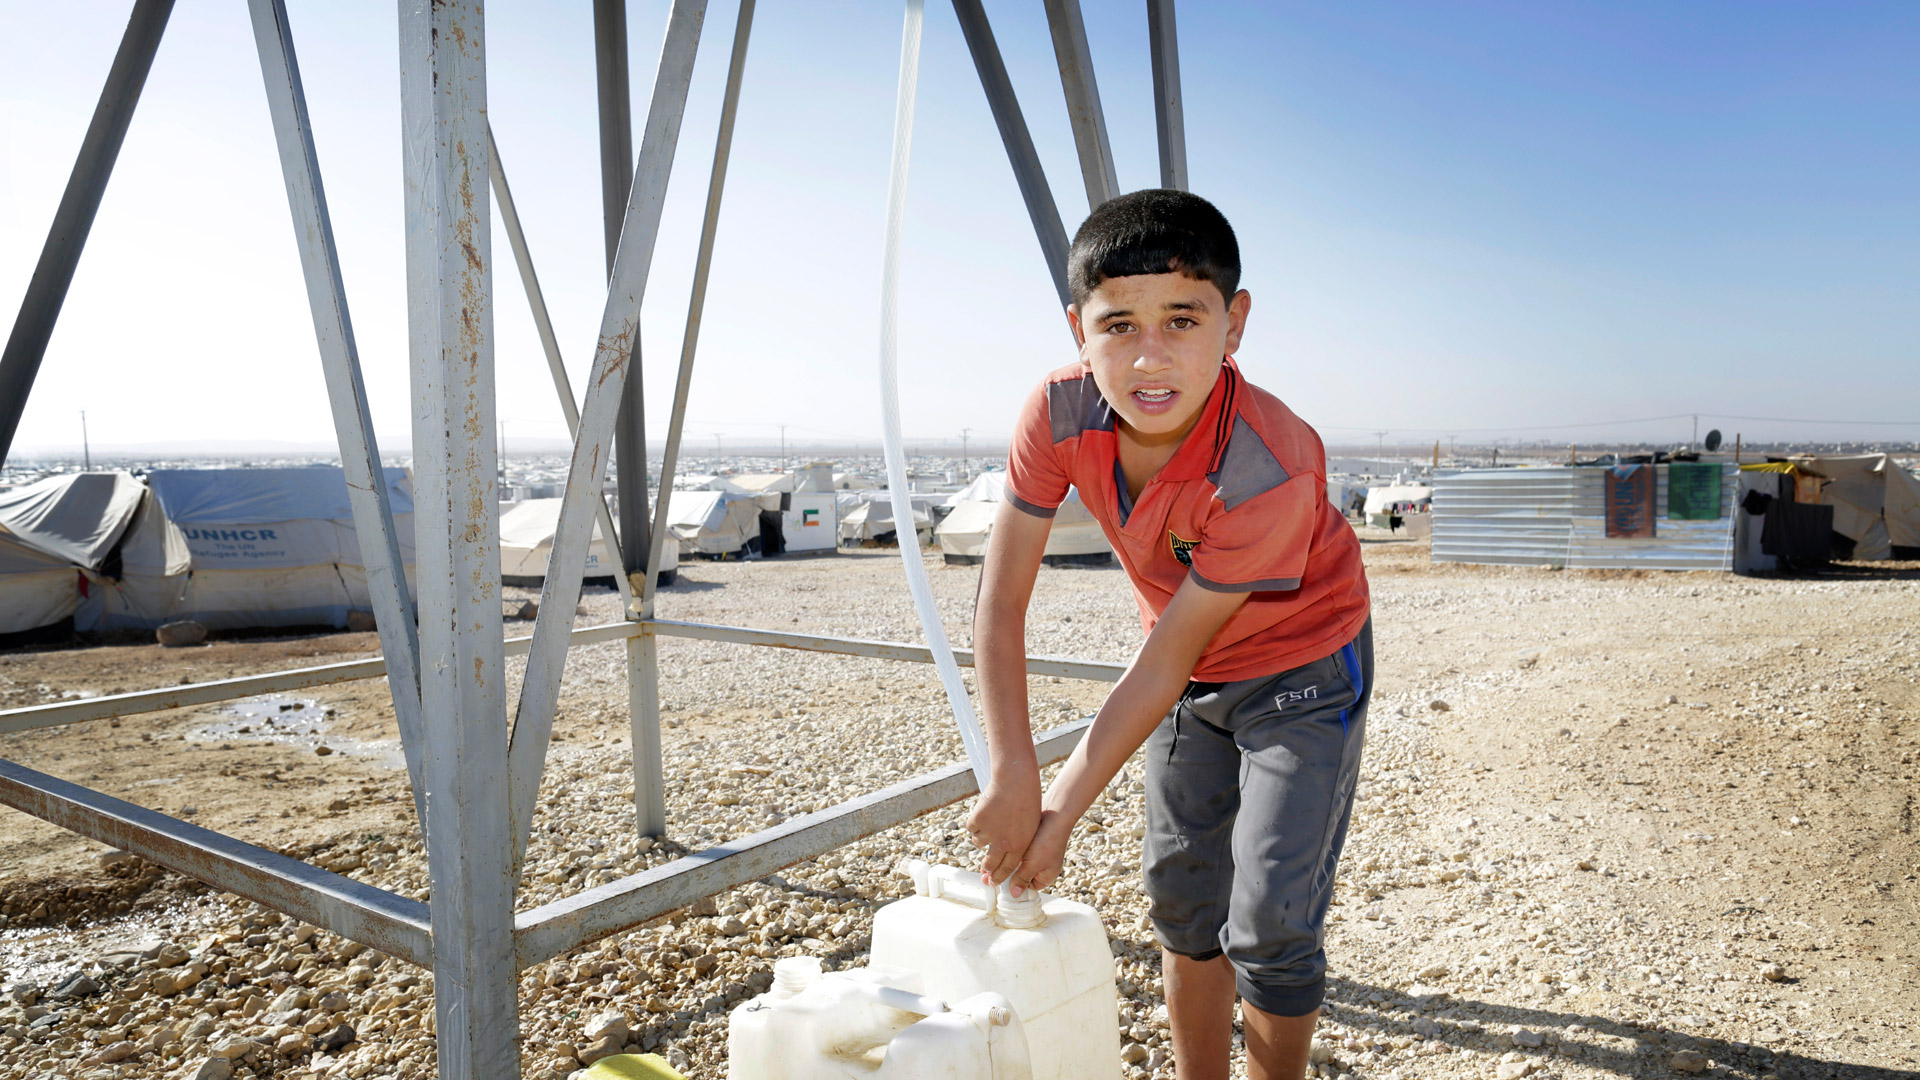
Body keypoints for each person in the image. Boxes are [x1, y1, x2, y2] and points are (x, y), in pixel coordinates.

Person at [966, 189, 1372, 1080]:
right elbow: (1000, 602)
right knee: (1185, 906)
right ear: (1078, 327)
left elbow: (1165, 662)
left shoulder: (1268, 466)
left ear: (1235, 323)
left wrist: (1056, 819)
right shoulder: (1058, 414)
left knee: (1269, 923)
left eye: (1183, 319)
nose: (1151, 358)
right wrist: (1012, 772)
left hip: (1301, 663)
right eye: (1119, 325)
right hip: (1186, 668)